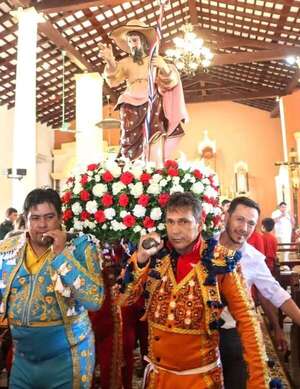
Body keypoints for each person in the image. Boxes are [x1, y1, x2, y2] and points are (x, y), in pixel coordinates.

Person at [118, 192, 270, 388]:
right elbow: (124, 300)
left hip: (200, 380)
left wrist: (257, 382)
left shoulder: (221, 261)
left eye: (183, 222)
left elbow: (248, 321)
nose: (175, 231)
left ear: (199, 224)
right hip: (158, 379)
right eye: (170, 222)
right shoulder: (156, 256)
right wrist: (140, 258)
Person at [0, 188, 104, 389]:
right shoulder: (7, 250)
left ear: (60, 217)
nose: (42, 225)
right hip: (23, 360)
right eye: (35, 218)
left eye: (49, 217)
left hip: (68, 359)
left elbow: (94, 301)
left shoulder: (81, 246)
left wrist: (60, 255)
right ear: (26, 220)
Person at [219, 196, 300, 389]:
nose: (244, 228)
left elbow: (276, 293)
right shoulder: (204, 243)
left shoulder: (253, 258)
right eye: (239, 219)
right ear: (227, 217)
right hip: (198, 335)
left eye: (250, 223)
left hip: (233, 334)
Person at [99, 19, 188, 162]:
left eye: (134, 40)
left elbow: (171, 82)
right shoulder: (126, 62)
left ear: (143, 41)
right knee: (129, 138)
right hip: (129, 103)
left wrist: (163, 66)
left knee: (155, 133)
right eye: (129, 42)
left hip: (151, 101)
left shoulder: (155, 60)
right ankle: (130, 163)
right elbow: (112, 80)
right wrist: (110, 61)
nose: (132, 45)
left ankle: (154, 164)